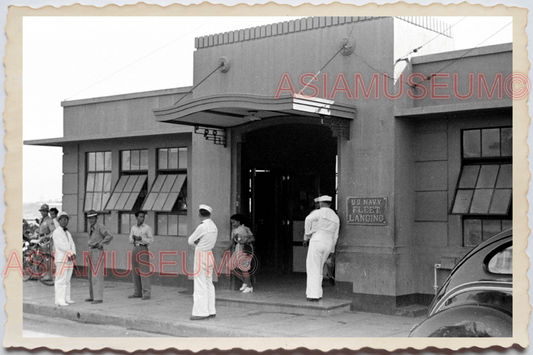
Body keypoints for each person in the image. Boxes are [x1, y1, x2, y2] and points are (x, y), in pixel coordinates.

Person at [303, 195, 339, 301]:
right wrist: (332, 250)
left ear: (321, 203)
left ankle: (313, 294)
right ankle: (318, 293)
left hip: (317, 240)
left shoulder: (318, 212)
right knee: (319, 267)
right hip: (328, 243)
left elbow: (308, 219)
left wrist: (308, 234)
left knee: (313, 267)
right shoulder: (335, 217)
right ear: (330, 204)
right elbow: (335, 236)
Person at [188, 204, 218, 320]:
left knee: (200, 283)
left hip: (201, 254)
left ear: (199, 214)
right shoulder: (214, 226)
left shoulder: (202, 227)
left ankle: (201, 312)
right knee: (209, 282)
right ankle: (211, 310)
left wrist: (197, 244)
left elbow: (190, 240)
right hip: (209, 254)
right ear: (209, 214)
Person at [86, 210, 114, 304]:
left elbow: (109, 235)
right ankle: (92, 296)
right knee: (90, 275)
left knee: (97, 274)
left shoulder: (100, 226)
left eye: (93, 218)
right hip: (91, 250)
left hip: (97, 251)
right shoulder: (90, 227)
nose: (91, 220)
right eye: (89, 218)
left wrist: (101, 243)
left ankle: (98, 297)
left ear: (96, 218)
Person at [52, 211, 76, 307]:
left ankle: (67, 298)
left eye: (66, 219)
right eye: (62, 219)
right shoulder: (56, 232)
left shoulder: (68, 233)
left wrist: (73, 253)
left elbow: (72, 244)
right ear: (59, 220)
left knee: (67, 279)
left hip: (69, 259)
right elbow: (62, 245)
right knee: (60, 279)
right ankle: (59, 299)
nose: (65, 221)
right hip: (61, 259)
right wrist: (70, 253)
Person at [128, 210, 154, 300]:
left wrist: (141, 238)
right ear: (136, 217)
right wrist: (134, 239)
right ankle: (137, 292)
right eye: (140, 216)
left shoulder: (147, 228)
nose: (142, 218)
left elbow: (151, 240)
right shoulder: (133, 228)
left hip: (143, 248)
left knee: (144, 271)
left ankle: (146, 293)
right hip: (135, 248)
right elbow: (130, 239)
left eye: (143, 217)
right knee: (135, 271)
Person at [229, 214, 255, 293]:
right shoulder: (234, 230)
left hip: (244, 249)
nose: (232, 224)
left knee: (244, 268)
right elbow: (231, 241)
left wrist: (244, 241)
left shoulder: (245, 229)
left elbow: (252, 238)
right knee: (232, 267)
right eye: (231, 223)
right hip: (238, 249)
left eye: (234, 222)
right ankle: (246, 282)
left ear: (238, 221)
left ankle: (249, 286)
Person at [37, 204, 56, 281]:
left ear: (47, 212)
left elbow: (53, 231)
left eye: (44, 211)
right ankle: (43, 273)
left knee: (46, 258)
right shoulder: (41, 220)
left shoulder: (49, 220)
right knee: (41, 257)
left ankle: (48, 275)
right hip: (40, 240)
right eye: (42, 211)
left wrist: (46, 237)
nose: (43, 213)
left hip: (46, 241)